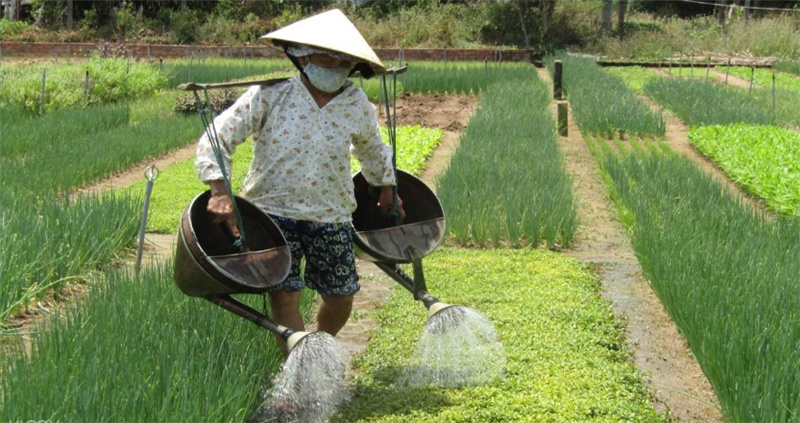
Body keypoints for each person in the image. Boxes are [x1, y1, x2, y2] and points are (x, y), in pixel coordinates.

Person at [194, 9, 405, 355]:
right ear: (302, 55)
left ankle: (320, 349)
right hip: (272, 212)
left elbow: (372, 149)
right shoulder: (269, 95)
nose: (334, 67)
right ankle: (300, 366)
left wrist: (387, 188)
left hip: (331, 213)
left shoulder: (355, 103)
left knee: (341, 296)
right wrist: (219, 191)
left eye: (344, 61)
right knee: (285, 295)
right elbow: (219, 136)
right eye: (327, 57)